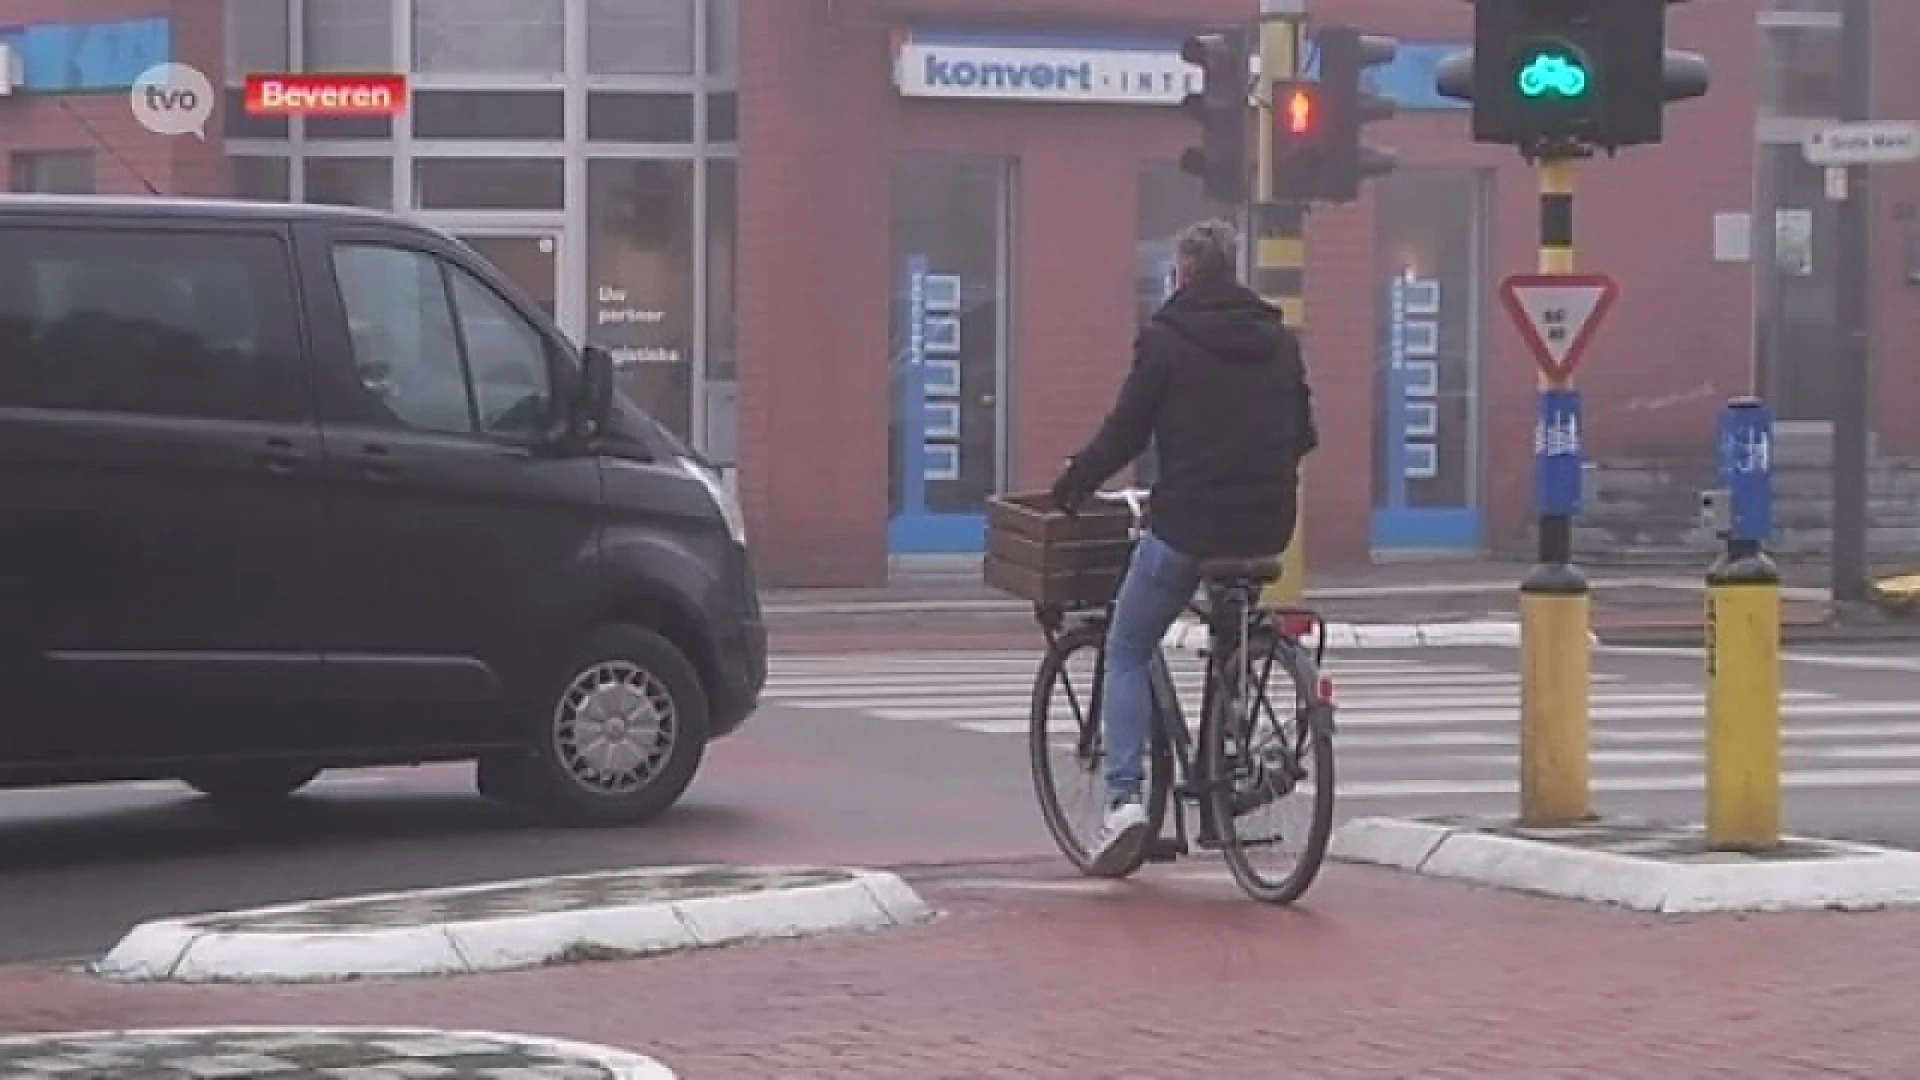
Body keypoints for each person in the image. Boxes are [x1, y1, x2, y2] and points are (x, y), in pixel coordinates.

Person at [1049, 218, 1318, 877]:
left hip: (1192, 524)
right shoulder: (1279, 340)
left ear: (1183, 275)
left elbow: (1125, 434)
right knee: (1228, 623)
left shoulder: (1167, 340)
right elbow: (1306, 434)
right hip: (1268, 527)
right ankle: (1232, 763)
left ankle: (1124, 802)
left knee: (1128, 645)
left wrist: (1073, 484)